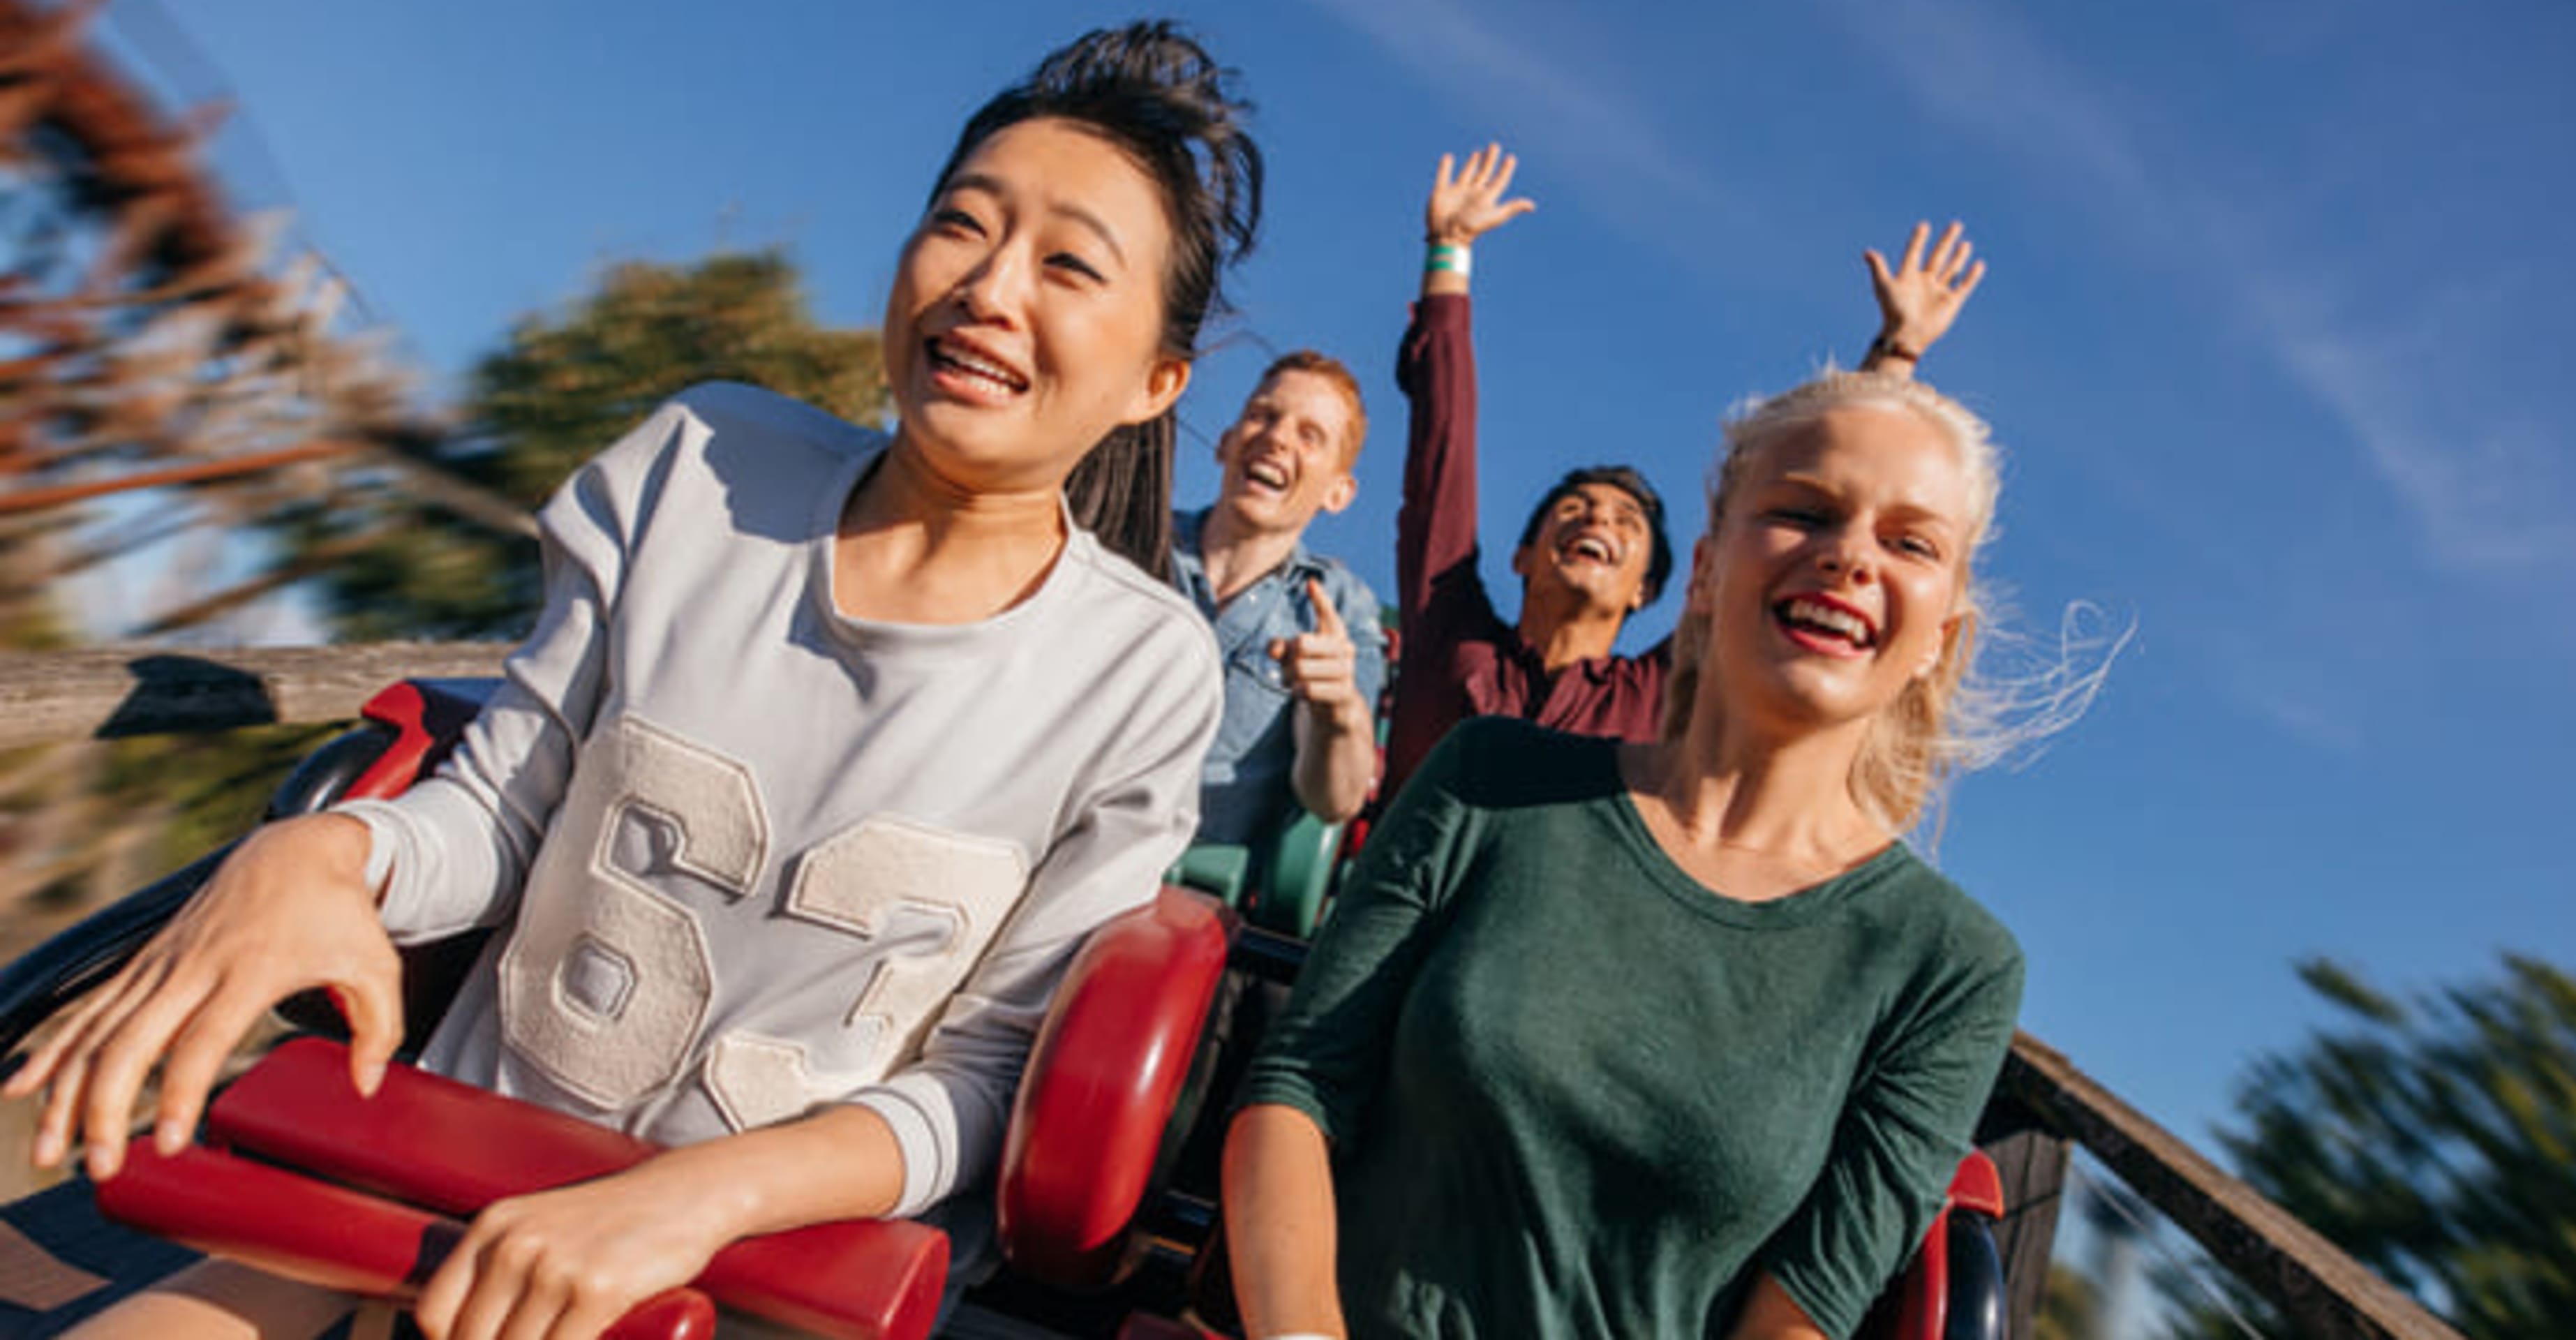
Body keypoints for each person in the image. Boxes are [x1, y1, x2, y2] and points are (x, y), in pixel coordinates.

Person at [4, 21, 1262, 1339]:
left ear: (1154, 382)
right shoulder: (700, 461)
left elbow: (988, 1072)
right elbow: (500, 816)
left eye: (1068, 265)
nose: (991, 286)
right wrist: (322, 857)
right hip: (428, 1190)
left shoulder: (1141, 669)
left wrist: (687, 1205)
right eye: (962, 224)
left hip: (749, 1282)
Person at [1223, 370, 2038, 1338]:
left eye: (1909, 543)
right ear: (1702, 572)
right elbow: (1301, 1083)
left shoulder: (1953, 967)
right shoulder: (1489, 777)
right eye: (1804, 512)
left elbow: (1804, 1313)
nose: (1849, 558)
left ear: (1938, 638)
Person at [1383, 145, 1988, 799]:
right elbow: (1442, 447)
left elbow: (1796, 487)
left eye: (1626, 521)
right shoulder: (1452, 628)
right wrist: (1450, 251)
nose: (1596, 519)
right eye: (1575, 507)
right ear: (1524, 557)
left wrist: (1896, 354)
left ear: (1652, 588)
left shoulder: (1661, 693)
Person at [1170, 352, 1388, 851]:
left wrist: (1338, 711)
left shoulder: (1339, 609)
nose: (1277, 437)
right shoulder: (1132, 538)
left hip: (1182, 890)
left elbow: (1335, 800)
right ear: (1226, 444)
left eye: (1310, 436)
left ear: (1338, 492)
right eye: (1263, 416)